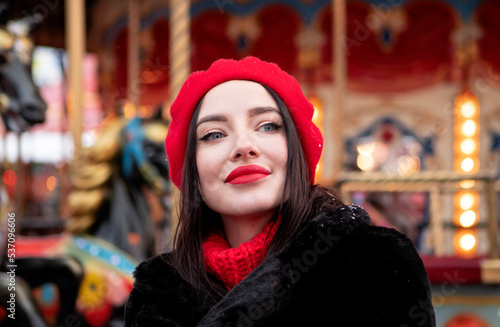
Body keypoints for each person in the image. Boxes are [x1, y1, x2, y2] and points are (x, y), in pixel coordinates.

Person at [124, 56, 435, 326]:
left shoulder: (376, 264)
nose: (244, 146)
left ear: (295, 152)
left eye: (268, 126)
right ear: (192, 169)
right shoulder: (158, 292)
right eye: (214, 134)